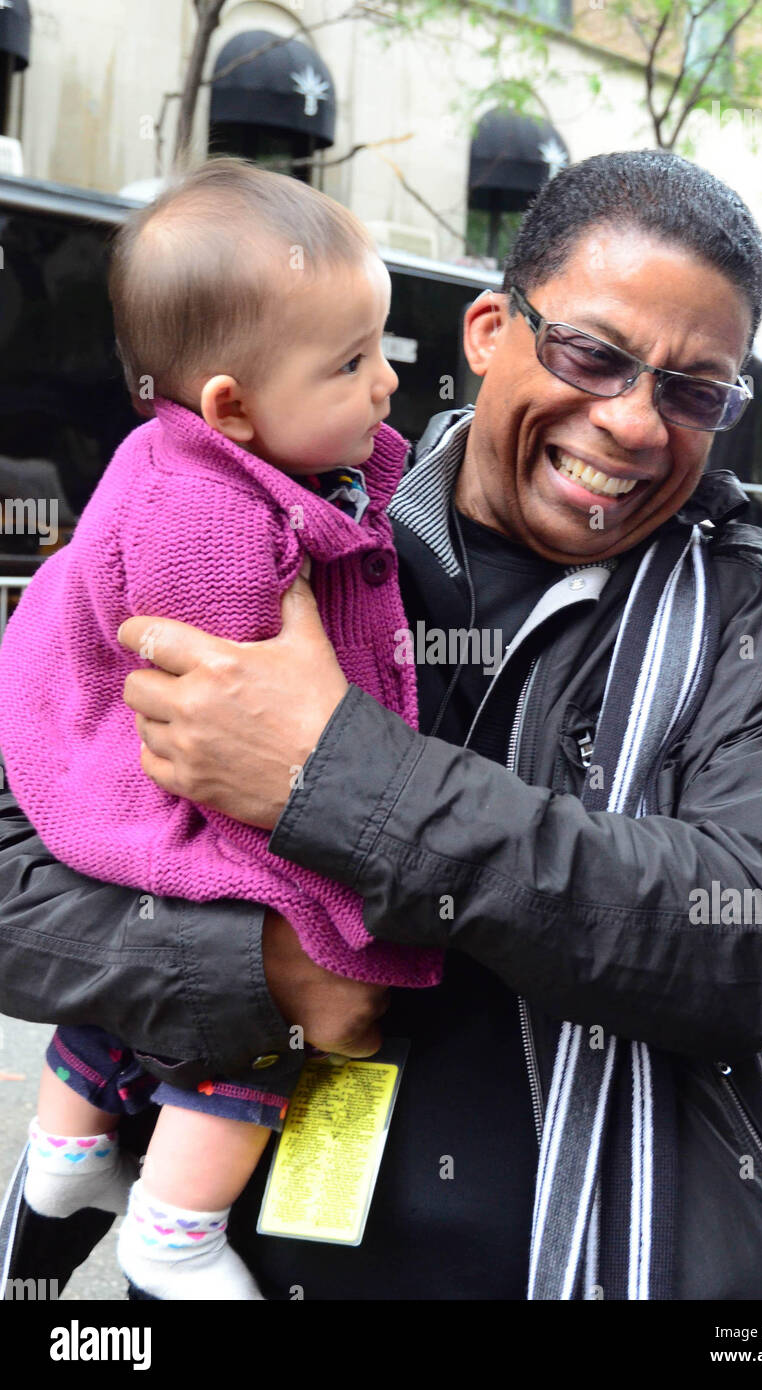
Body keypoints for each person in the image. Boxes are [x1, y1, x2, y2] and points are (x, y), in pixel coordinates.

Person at [0, 150, 762, 1300]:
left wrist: (338, 775)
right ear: (491, 330)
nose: (634, 424)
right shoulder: (260, 528)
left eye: (694, 391)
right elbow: (26, 845)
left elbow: (760, 934)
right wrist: (264, 972)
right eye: (591, 355)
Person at [0, 156, 443, 1300]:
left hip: (121, 793)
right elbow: (249, 745)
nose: (386, 384)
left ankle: (63, 1160)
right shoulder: (209, 522)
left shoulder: (201, 467)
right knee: (262, 1003)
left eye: (380, 346)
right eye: (348, 363)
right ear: (232, 406)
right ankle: (174, 1227)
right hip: (183, 812)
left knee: (141, 1004)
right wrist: (333, 904)